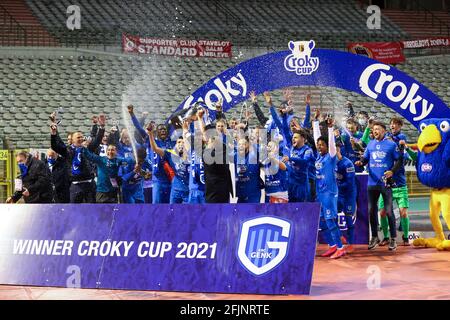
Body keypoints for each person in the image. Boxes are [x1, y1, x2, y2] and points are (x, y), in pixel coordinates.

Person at [356, 121, 402, 251]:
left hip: (385, 183)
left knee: (388, 211)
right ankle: (375, 237)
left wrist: (392, 171)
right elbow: (365, 159)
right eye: (373, 129)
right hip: (371, 183)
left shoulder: (391, 145)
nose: (374, 131)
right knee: (371, 210)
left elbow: (400, 160)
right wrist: (361, 162)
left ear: (383, 130)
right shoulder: (370, 144)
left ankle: (393, 238)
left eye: (377, 129)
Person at [314, 118, 346, 259]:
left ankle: (340, 247)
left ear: (327, 147)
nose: (320, 146)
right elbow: (317, 138)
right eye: (318, 145)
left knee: (330, 220)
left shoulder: (331, 156)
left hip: (329, 193)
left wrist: (330, 128)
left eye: (322, 145)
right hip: (320, 193)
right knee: (323, 221)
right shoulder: (319, 157)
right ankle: (333, 245)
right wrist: (315, 123)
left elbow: (331, 144)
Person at [378, 117, 411, 246]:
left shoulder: (401, 136)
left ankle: (406, 237)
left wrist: (395, 142)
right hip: (387, 184)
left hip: (400, 183)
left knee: (403, 212)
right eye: (391, 124)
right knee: (382, 212)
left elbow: (400, 147)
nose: (392, 126)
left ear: (400, 126)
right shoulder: (386, 137)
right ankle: (386, 237)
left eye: (395, 124)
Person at [50, 122, 96, 203]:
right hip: (75, 185)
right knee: (74, 210)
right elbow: (55, 146)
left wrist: (99, 127)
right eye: (78, 137)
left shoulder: (87, 149)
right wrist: (53, 133)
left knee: (92, 210)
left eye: (82, 137)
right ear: (73, 140)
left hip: (89, 183)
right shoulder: (67, 150)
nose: (81, 139)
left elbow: (97, 141)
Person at [148, 123, 190, 204]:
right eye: (179, 142)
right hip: (167, 183)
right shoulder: (170, 154)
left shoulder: (191, 155)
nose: (181, 144)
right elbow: (155, 148)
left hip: (184, 187)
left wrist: (185, 130)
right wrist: (150, 133)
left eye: (183, 142)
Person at [335, 144, 357, 253]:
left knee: (348, 218)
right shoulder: (330, 162)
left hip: (348, 194)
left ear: (338, 150)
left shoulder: (348, 164)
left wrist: (335, 186)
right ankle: (339, 236)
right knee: (331, 216)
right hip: (338, 194)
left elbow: (349, 183)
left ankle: (351, 243)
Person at [234, 137, 262, 203]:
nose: (241, 146)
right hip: (241, 195)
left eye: (243, 144)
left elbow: (259, 149)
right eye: (239, 144)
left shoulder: (253, 156)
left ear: (248, 146)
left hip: (252, 195)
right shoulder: (236, 156)